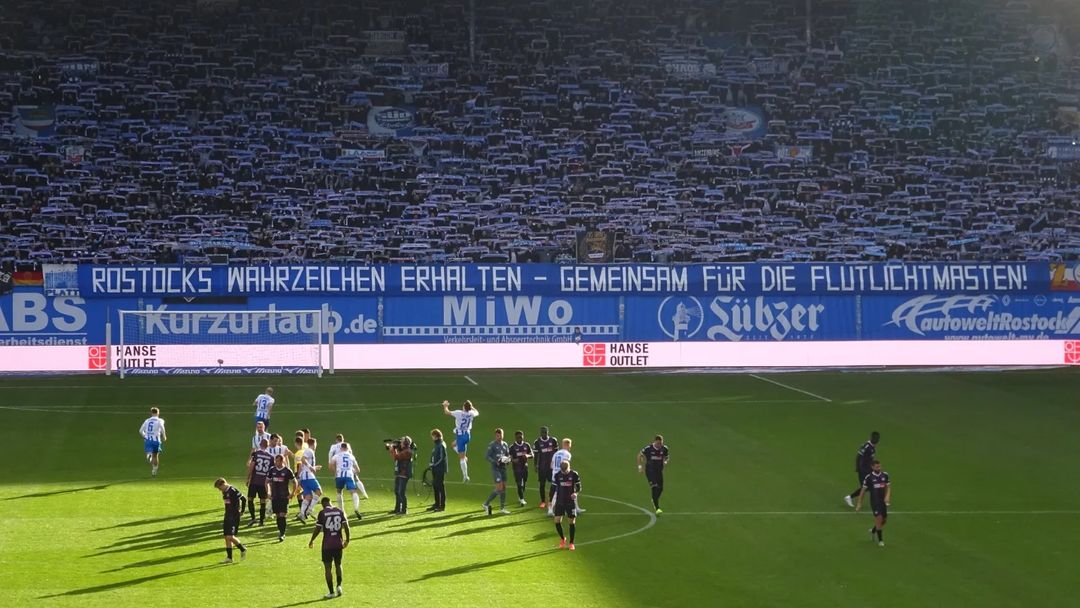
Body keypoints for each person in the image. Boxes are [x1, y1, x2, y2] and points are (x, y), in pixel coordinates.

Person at [308, 496, 350, 599]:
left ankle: (331, 592)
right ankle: (339, 586)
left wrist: (312, 540)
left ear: (322, 504)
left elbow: (318, 529)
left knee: (328, 568)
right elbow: (346, 526)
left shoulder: (322, 513)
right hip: (338, 544)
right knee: (338, 565)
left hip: (327, 545)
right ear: (330, 502)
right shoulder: (339, 511)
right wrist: (347, 540)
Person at [855, 460, 891, 547]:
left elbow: (888, 487)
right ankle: (881, 540)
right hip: (875, 501)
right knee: (879, 518)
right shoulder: (869, 477)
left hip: (882, 501)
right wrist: (859, 503)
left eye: (880, 466)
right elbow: (863, 491)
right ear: (872, 467)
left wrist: (887, 496)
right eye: (877, 467)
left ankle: (873, 531)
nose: (879, 468)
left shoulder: (885, 475)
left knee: (884, 520)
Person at [442, 399, 479, 482]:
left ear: (463, 407)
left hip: (461, 436)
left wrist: (445, 406)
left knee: (461, 458)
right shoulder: (471, 413)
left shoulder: (459, 413)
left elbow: (447, 412)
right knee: (453, 445)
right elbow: (477, 412)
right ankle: (464, 457)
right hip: (467, 435)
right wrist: (472, 407)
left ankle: (465, 476)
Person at [214, 478, 247, 563]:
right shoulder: (224, 491)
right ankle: (229, 558)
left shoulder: (233, 490)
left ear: (223, 484)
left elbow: (243, 499)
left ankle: (242, 549)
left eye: (219, 488)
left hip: (234, 516)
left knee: (230, 536)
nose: (219, 490)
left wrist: (242, 511)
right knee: (226, 537)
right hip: (227, 515)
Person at [330, 442, 364, 522]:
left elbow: (331, 464)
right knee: (354, 492)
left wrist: (335, 472)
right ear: (347, 448)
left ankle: (341, 511)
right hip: (349, 475)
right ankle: (356, 508)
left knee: (339, 492)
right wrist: (354, 472)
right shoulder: (351, 456)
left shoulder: (337, 455)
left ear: (341, 448)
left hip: (339, 476)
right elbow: (358, 469)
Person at [845, 431, 881, 508]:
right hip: (863, 470)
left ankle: (850, 498)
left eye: (877, 438)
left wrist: (873, 467)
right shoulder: (867, 446)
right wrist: (859, 468)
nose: (876, 440)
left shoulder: (872, 447)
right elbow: (859, 457)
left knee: (867, 487)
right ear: (872, 438)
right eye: (875, 438)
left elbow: (869, 459)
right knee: (867, 487)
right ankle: (850, 498)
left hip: (868, 470)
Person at [548, 438, 583, 515]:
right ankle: (550, 510)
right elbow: (567, 466)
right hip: (563, 475)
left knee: (566, 491)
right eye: (570, 445)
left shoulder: (556, 453)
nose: (570, 447)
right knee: (565, 492)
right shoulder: (567, 454)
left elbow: (551, 466)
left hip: (555, 475)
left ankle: (576, 508)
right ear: (567, 445)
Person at [552, 460, 581, 551]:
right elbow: (553, 488)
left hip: (570, 502)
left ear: (569, 467)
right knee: (557, 521)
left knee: (571, 522)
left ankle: (571, 543)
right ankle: (562, 538)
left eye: (566, 471)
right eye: (562, 471)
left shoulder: (574, 474)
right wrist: (550, 501)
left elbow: (579, 487)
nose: (564, 472)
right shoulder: (557, 475)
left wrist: (576, 493)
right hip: (560, 501)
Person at [637, 435, 670, 514]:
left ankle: (654, 499)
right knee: (655, 487)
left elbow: (667, 456)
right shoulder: (648, 448)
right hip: (650, 471)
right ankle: (657, 508)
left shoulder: (664, 448)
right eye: (658, 443)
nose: (659, 445)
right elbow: (639, 455)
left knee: (660, 489)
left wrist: (666, 461)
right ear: (655, 441)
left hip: (659, 471)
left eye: (661, 443)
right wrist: (640, 467)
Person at [267, 454, 296, 542]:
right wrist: (268, 492)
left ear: (282, 461)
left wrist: (292, 493)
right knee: (278, 515)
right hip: (275, 496)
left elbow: (295, 482)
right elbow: (267, 481)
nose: (276, 462)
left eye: (277, 461)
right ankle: (280, 531)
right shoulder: (272, 470)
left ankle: (282, 533)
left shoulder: (287, 471)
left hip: (284, 496)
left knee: (283, 514)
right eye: (275, 461)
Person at [246, 439, 274, 527]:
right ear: (268, 445)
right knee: (263, 501)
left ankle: (253, 518)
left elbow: (252, 466)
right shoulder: (271, 457)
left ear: (260, 444)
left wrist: (248, 478)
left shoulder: (256, 454)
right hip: (264, 482)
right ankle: (261, 521)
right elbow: (271, 471)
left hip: (254, 481)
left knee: (250, 499)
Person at [482, 428, 511, 515]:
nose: (499, 437)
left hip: (503, 468)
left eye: (500, 435)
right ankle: (486, 504)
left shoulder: (505, 444)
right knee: (499, 487)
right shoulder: (492, 445)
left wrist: (508, 460)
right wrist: (495, 461)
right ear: (495, 436)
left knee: (504, 488)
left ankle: (502, 508)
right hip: (496, 469)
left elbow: (507, 455)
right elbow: (487, 456)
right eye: (497, 435)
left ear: (503, 435)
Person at [296, 436, 323, 522]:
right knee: (319, 492)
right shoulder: (309, 451)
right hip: (308, 476)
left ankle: (301, 513)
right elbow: (303, 460)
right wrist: (311, 467)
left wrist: (314, 467)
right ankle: (310, 510)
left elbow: (303, 464)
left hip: (304, 477)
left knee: (307, 496)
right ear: (314, 444)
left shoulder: (308, 451)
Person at [534, 426, 558, 509]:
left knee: (554, 484)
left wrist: (557, 464)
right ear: (540, 433)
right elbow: (536, 455)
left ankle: (552, 500)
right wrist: (535, 465)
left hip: (552, 467)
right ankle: (543, 501)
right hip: (542, 467)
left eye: (545, 432)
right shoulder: (537, 442)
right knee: (542, 485)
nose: (544, 433)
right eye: (543, 432)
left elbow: (556, 453)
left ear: (548, 432)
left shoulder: (553, 440)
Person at [139, 407, 167, 477]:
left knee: (149, 454)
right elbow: (162, 428)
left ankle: (149, 456)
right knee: (155, 456)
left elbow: (140, 431)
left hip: (148, 440)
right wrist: (164, 436)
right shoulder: (160, 420)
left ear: (151, 413)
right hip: (156, 441)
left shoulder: (147, 421)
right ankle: (154, 470)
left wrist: (145, 436)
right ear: (158, 413)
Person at [389, 436, 414, 515]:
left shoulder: (407, 451)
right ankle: (397, 508)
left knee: (401, 492)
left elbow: (396, 457)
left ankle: (404, 509)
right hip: (399, 473)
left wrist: (392, 449)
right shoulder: (404, 450)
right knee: (397, 491)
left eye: (402, 441)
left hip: (404, 473)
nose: (400, 443)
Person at [509, 430, 533, 506]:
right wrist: (513, 460)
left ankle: (520, 496)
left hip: (525, 467)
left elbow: (532, 454)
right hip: (517, 468)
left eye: (521, 437)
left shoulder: (526, 445)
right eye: (518, 437)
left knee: (524, 482)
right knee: (519, 483)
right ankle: (522, 499)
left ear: (523, 437)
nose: (519, 438)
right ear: (515, 438)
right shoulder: (512, 447)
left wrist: (527, 456)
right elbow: (509, 458)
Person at [428, 429, 448, 512]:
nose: (432, 438)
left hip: (439, 469)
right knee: (435, 486)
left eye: (432, 436)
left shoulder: (441, 445)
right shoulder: (437, 445)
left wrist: (434, 464)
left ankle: (442, 505)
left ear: (436, 436)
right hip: (435, 468)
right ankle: (437, 503)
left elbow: (441, 458)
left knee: (440, 487)